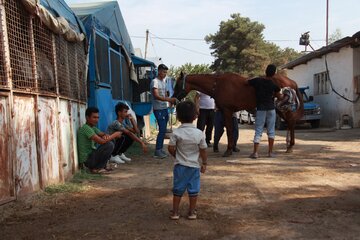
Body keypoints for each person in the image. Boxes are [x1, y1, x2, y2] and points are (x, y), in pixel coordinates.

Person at [168, 101, 207, 220]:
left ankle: (175, 213)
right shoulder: (199, 133)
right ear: (195, 116)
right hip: (194, 166)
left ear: (178, 117)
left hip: (180, 166)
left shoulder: (176, 132)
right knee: (193, 190)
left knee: (178, 190)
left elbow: (170, 147)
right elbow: (203, 150)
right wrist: (204, 163)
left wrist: (177, 155)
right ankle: (192, 212)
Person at [247, 64, 283, 158]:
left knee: (258, 130)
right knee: (271, 131)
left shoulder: (257, 81)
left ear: (265, 71)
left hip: (261, 108)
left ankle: (255, 153)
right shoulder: (273, 84)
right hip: (271, 108)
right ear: (274, 74)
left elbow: (247, 82)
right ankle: (270, 153)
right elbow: (279, 94)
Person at [77, 107, 121, 174]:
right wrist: (114, 134)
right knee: (109, 144)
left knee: (110, 141)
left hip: (92, 157)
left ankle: (102, 166)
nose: (96, 120)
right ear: (87, 117)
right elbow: (101, 141)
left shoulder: (93, 128)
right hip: (87, 161)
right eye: (94, 117)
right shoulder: (85, 128)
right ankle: (97, 168)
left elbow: (103, 134)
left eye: (98, 117)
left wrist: (106, 136)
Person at [151, 64, 177, 158]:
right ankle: (157, 151)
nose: (165, 74)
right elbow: (156, 96)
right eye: (163, 72)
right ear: (159, 71)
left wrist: (169, 98)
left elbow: (166, 94)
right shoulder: (155, 82)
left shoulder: (164, 82)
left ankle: (160, 149)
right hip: (158, 108)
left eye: (166, 72)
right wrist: (168, 100)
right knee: (162, 129)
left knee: (163, 130)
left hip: (164, 108)